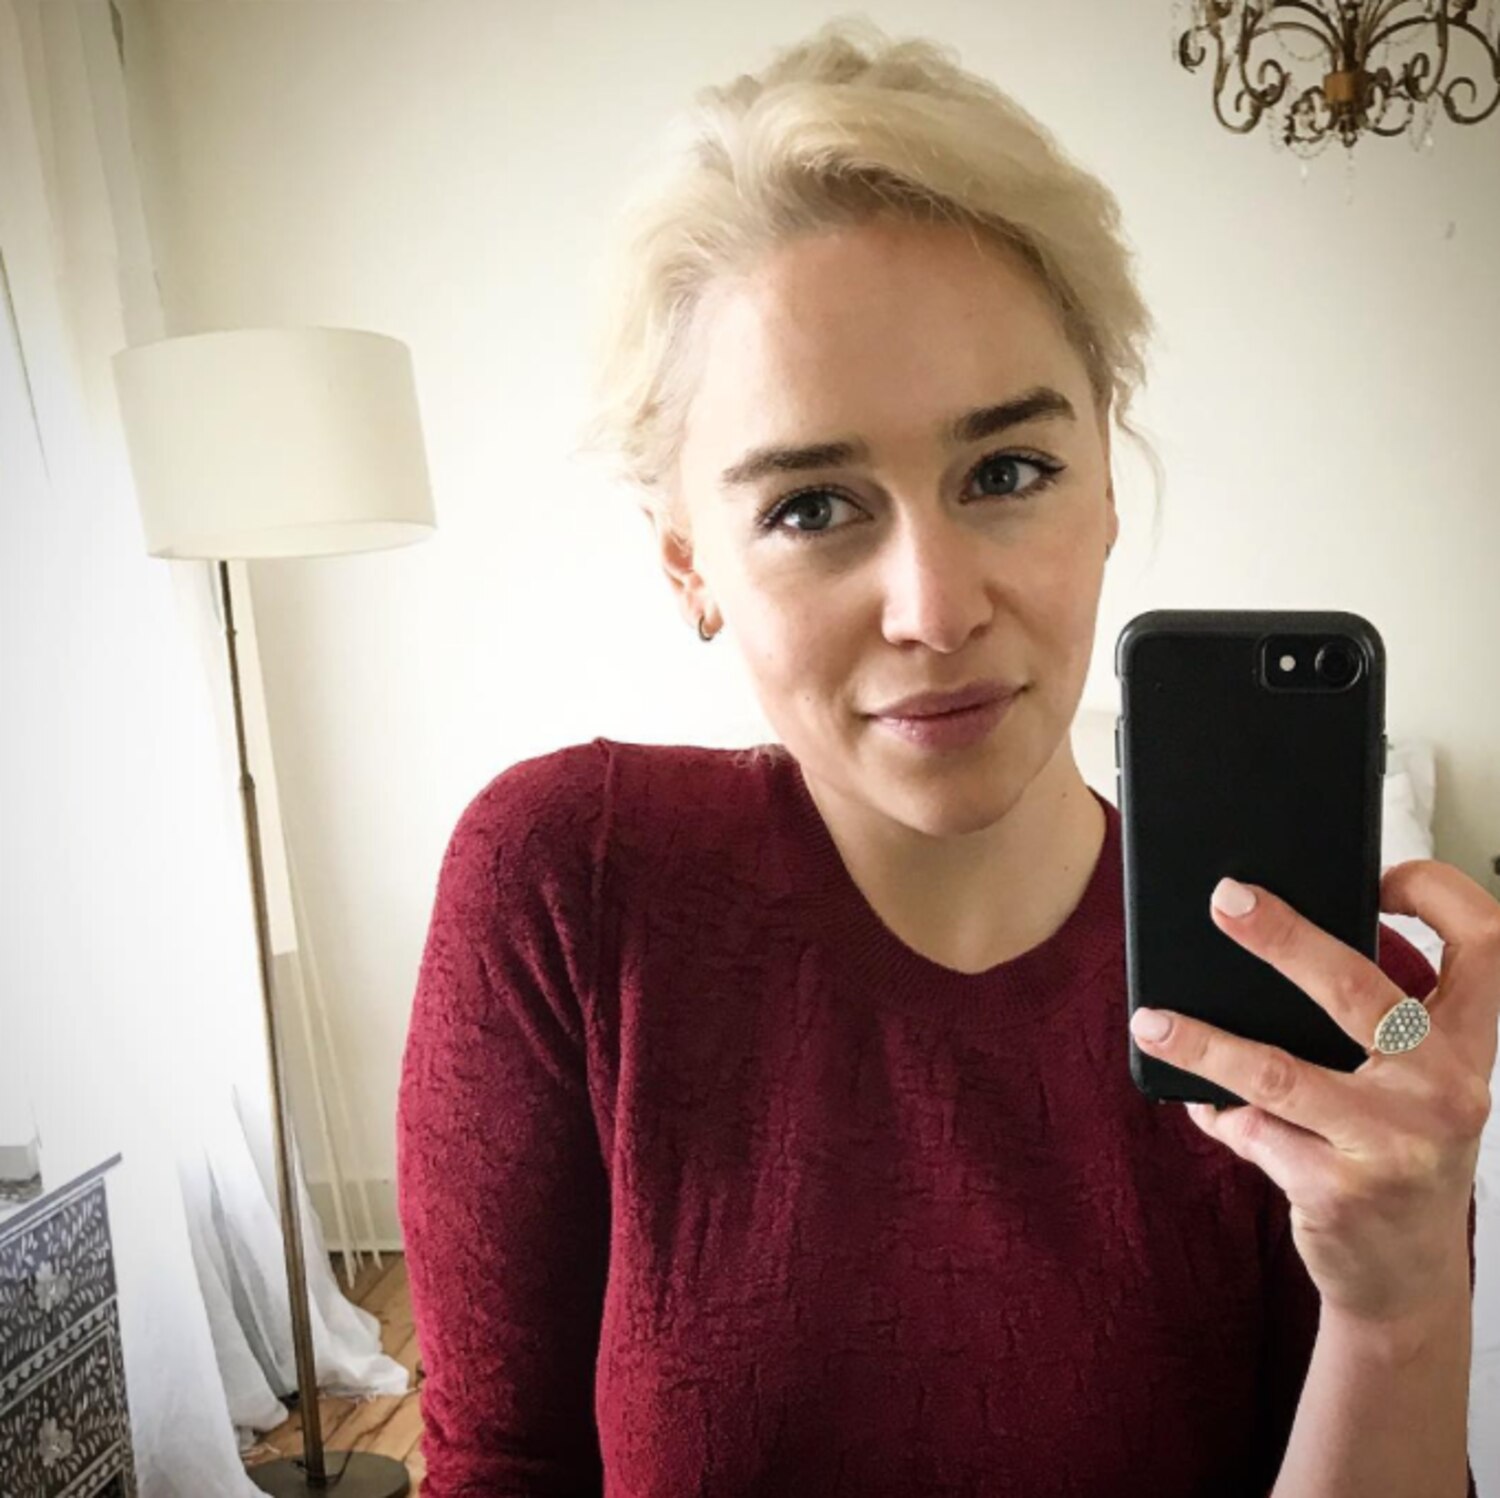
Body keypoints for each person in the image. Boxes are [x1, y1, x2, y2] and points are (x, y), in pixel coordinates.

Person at [396, 17, 1482, 1496]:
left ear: (1107, 484)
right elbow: (500, 1464)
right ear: (689, 562)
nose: (936, 609)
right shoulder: (569, 887)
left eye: (1008, 471)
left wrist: (1401, 1306)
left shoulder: (1344, 1005)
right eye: (811, 506)